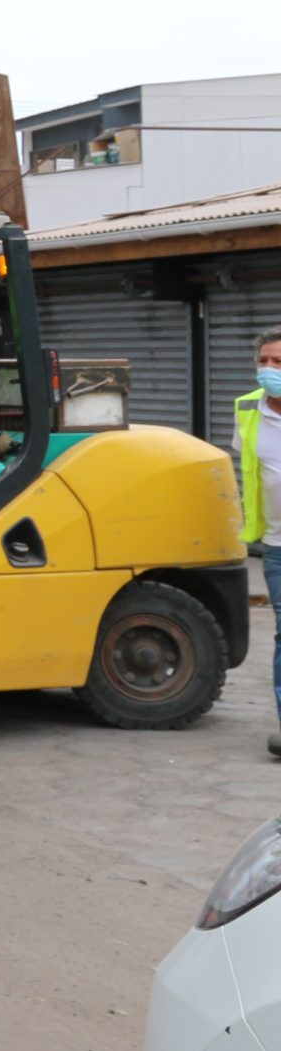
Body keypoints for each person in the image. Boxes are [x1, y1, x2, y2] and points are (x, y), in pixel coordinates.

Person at [237, 325, 281, 759]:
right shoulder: (248, 409)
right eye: (264, 361)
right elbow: (250, 468)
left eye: (279, 362)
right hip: (277, 545)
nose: (269, 369)